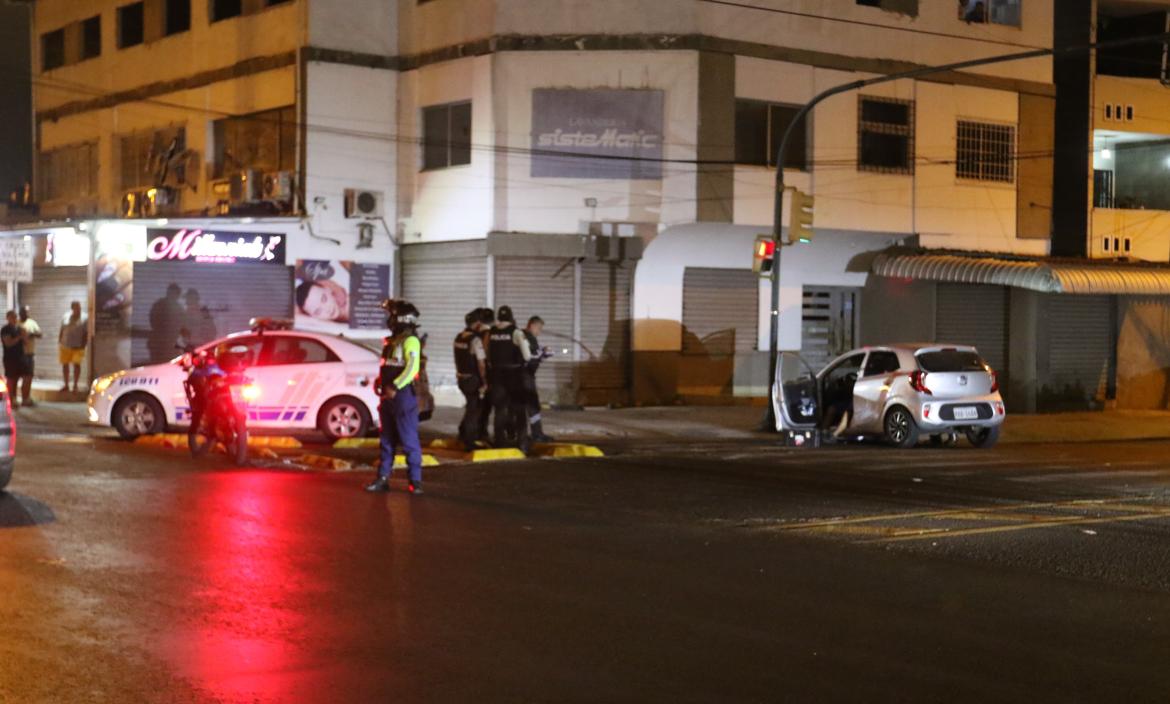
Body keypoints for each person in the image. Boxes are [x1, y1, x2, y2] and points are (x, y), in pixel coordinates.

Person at [366, 300, 424, 495]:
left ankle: (415, 481)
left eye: (392, 315)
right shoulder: (391, 341)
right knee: (387, 440)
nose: (389, 319)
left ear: (401, 318)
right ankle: (382, 478)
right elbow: (388, 366)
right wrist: (380, 382)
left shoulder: (411, 341)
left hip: (402, 396)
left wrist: (395, 386)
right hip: (388, 396)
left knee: (408, 440)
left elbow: (412, 368)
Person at [487, 305, 532, 452]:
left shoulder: (491, 332)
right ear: (512, 317)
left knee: (500, 410)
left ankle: (499, 441)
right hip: (514, 375)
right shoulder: (516, 332)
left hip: (497, 375)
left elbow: (488, 354)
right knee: (519, 409)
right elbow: (527, 356)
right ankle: (522, 442)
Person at [454, 309, 489, 451]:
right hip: (472, 380)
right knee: (473, 409)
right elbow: (481, 363)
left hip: (461, 378)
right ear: (477, 324)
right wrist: (485, 381)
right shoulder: (475, 340)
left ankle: (463, 432)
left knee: (471, 406)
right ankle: (469, 440)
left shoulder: (459, 337)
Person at [522, 315, 554, 443]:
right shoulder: (529, 337)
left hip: (522, 376)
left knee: (521, 407)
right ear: (532, 325)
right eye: (539, 328)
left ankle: (520, 434)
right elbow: (531, 357)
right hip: (526, 376)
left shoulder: (523, 336)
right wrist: (544, 353)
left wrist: (542, 353)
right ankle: (537, 434)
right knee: (533, 406)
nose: (539, 331)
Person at [148, 283, 184, 362]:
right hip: (159, 344)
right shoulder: (159, 305)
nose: (173, 295)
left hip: (169, 344)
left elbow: (181, 325)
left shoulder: (179, 309)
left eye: (175, 293)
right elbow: (153, 321)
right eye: (172, 292)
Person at [58, 300, 88, 393]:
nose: (78, 309)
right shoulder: (66, 316)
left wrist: (83, 344)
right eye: (76, 307)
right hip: (65, 345)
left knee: (76, 365)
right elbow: (62, 329)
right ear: (72, 308)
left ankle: (75, 386)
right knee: (65, 365)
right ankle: (66, 385)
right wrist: (59, 340)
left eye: (79, 307)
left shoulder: (85, 317)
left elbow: (86, 333)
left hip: (78, 346)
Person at [476, 307, 495, 442]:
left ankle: (476, 430)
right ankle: (481, 431)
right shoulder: (487, 334)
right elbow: (486, 355)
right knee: (485, 406)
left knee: (477, 405)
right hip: (484, 373)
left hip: (473, 373)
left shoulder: (474, 332)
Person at [18, 306, 41, 407]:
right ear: (20, 312)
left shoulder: (32, 323)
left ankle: (26, 397)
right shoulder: (17, 323)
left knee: (29, 377)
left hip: (29, 353)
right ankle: (23, 398)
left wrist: (32, 334)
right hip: (19, 354)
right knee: (23, 377)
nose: (26, 314)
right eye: (24, 312)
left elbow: (40, 334)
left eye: (27, 312)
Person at [1, 311, 25, 406]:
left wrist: (24, 334)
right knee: (11, 379)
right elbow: (8, 343)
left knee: (16, 378)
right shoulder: (5, 329)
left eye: (15, 317)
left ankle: (14, 398)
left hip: (19, 357)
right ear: (7, 318)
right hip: (9, 358)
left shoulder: (18, 329)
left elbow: (25, 341)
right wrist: (19, 338)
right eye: (12, 317)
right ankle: (10, 399)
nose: (14, 319)